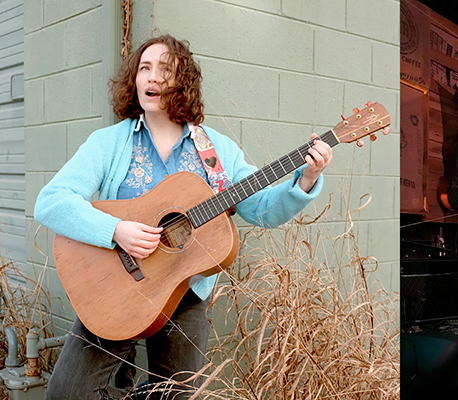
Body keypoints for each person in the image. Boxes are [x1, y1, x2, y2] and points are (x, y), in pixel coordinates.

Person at [34, 35, 332, 399]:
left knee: (175, 395)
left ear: (182, 81)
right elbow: (51, 201)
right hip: (115, 284)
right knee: (65, 393)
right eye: (144, 68)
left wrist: (307, 178)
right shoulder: (108, 143)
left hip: (185, 294)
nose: (151, 77)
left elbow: (262, 210)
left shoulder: (216, 150)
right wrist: (116, 230)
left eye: (164, 69)